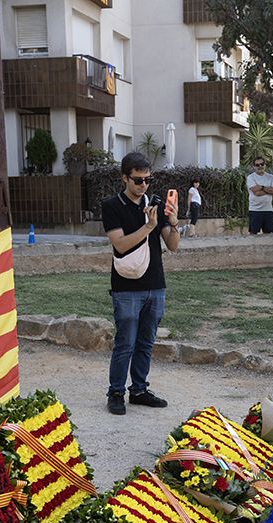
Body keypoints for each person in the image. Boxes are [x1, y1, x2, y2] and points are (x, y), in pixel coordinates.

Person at [101, 152, 181, 415]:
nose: (143, 185)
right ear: (124, 178)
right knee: (125, 342)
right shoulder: (111, 205)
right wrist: (149, 226)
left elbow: (173, 246)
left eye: (148, 180)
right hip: (126, 287)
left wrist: (173, 221)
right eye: (137, 180)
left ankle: (138, 390)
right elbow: (120, 244)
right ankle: (115, 393)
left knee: (146, 342)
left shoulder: (154, 205)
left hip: (155, 284)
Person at [246, 158, 273, 234]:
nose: (260, 166)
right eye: (257, 165)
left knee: (269, 234)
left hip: (268, 210)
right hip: (255, 210)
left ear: (265, 165)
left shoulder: (271, 177)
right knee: (253, 234)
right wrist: (269, 190)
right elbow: (256, 192)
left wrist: (262, 187)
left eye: (262, 164)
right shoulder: (250, 177)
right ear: (254, 167)